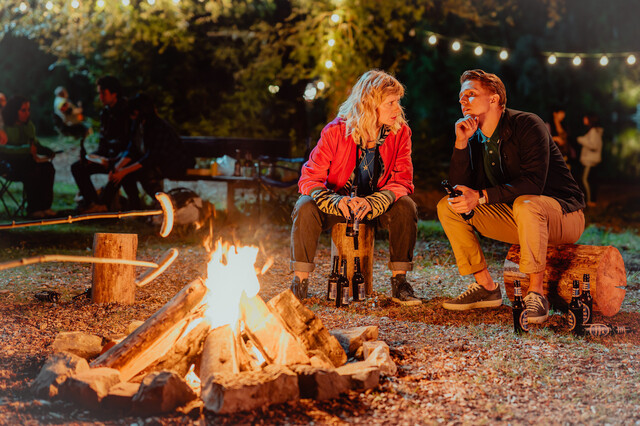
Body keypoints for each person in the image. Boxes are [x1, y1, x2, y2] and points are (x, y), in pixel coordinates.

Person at [437, 69, 585, 323]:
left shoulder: (527, 124)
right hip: (518, 218)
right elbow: (461, 187)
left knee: (526, 203)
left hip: (563, 216)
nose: (463, 101)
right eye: (461, 97)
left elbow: (533, 184)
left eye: (471, 94)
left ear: (494, 99)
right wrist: (461, 144)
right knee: (448, 206)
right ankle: (486, 287)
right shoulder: (473, 137)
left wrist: (481, 196)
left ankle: (536, 294)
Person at [290, 70, 420, 305]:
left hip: (377, 206)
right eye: (390, 103)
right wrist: (337, 201)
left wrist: (374, 201)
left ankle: (399, 281)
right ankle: (300, 282)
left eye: (398, 102)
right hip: (339, 204)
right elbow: (309, 179)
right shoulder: (336, 131)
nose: (397, 109)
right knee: (305, 205)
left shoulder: (401, 133)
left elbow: (403, 180)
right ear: (370, 104)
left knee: (406, 206)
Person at [97, 93, 193, 210]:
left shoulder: (158, 127)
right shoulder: (138, 124)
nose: (131, 116)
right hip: (153, 162)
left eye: (134, 112)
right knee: (126, 173)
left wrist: (124, 171)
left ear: (139, 111)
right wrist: (118, 167)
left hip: (173, 164)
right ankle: (130, 205)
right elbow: (132, 148)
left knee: (140, 173)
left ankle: (165, 205)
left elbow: (152, 157)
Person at [71, 76, 131, 213]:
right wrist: (93, 157)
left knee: (117, 169)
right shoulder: (105, 113)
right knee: (78, 166)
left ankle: (105, 203)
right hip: (107, 158)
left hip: (122, 160)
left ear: (114, 93)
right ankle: (94, 203)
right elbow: (104, 144)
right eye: (99, 93)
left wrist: (112, 160)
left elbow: (130, 146)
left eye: (103, 93)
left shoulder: (126, 113)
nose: (100, 97)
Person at [0, 95, 56, 218]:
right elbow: (2, 149)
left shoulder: (28, 126)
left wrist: (46, 150)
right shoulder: (3, 127)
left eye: (28, 110)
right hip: (9, 165)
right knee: (32, 168)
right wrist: (25, 150)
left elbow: (34, 143)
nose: (27, 113)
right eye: (23, 110)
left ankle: (45, 206)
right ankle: (33, 209)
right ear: (15, 111)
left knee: (48, 168)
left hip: (28, 161)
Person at [577, 113, 603, 206]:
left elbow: (593, 145)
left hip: (590, 160)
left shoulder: (593, 132)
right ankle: (591, 200)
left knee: (585, 179)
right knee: (590, 179)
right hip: (591, 160)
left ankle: (589, 200)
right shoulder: (593, 131)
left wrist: (581, 140)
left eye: (586, 118)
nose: (584, 119)